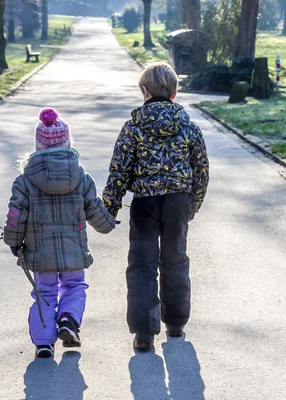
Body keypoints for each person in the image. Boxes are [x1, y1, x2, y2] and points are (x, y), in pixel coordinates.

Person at [102, 61, 209, 350]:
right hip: (177, 202)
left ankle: (144, 332)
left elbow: (119, 170)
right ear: (174, 93)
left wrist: (109, 208)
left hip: (145, 203)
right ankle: (175, 323)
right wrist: (192, 206)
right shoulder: (188, 127)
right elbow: (201, 170)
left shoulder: (134, 127)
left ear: (145, 92)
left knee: (142, 264)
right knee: (175, 260)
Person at [4, 108, 116, 358]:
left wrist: (13, 240)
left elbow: (16, 214)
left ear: (38, 145)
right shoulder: (81, 176)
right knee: (74, 285)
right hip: (73, 249)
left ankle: (44, 342)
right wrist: (108, 223)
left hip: (40, 251)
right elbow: (94, 208)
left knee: (44, 292)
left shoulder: (25, 180)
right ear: (68, 143)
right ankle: (68, 319)